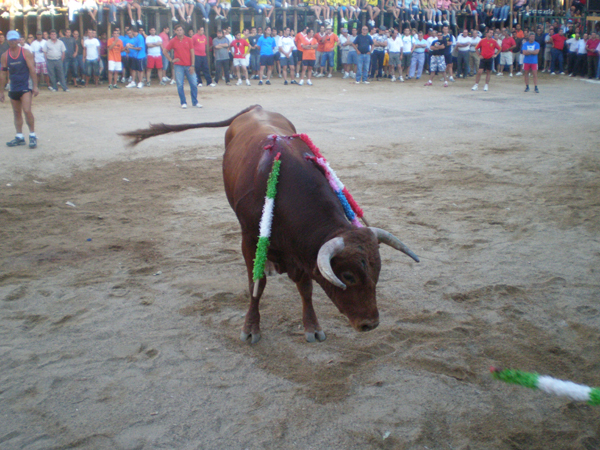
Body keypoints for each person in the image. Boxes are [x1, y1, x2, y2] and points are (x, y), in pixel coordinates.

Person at [0, 30, 39, 149]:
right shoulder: (4, 56)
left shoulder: (26, 52)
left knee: (27, 110)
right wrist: (1, 91)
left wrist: (35, 86)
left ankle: (32, 135)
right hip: (13, 87)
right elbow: (3, 74)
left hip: (25, 86)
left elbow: (32, 69)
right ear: (7, 40)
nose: (12, 41)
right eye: (10, 39)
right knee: (16, 112)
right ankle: (19, 136)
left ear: (18, 40)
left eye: (14, 39)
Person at [163, 24, 200, 108]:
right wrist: (171, 60)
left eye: (181, 30)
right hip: (178, 65)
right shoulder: (173, 40)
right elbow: (165, 51)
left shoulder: (188, 40)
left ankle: (195, 101)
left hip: (189, 65)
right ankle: (183, 102)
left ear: (183, 31)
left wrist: (193, 65)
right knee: (180, 84)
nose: (179, 31)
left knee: (194, 83)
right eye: (178, 30)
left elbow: (192, 53)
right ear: (175, 31)